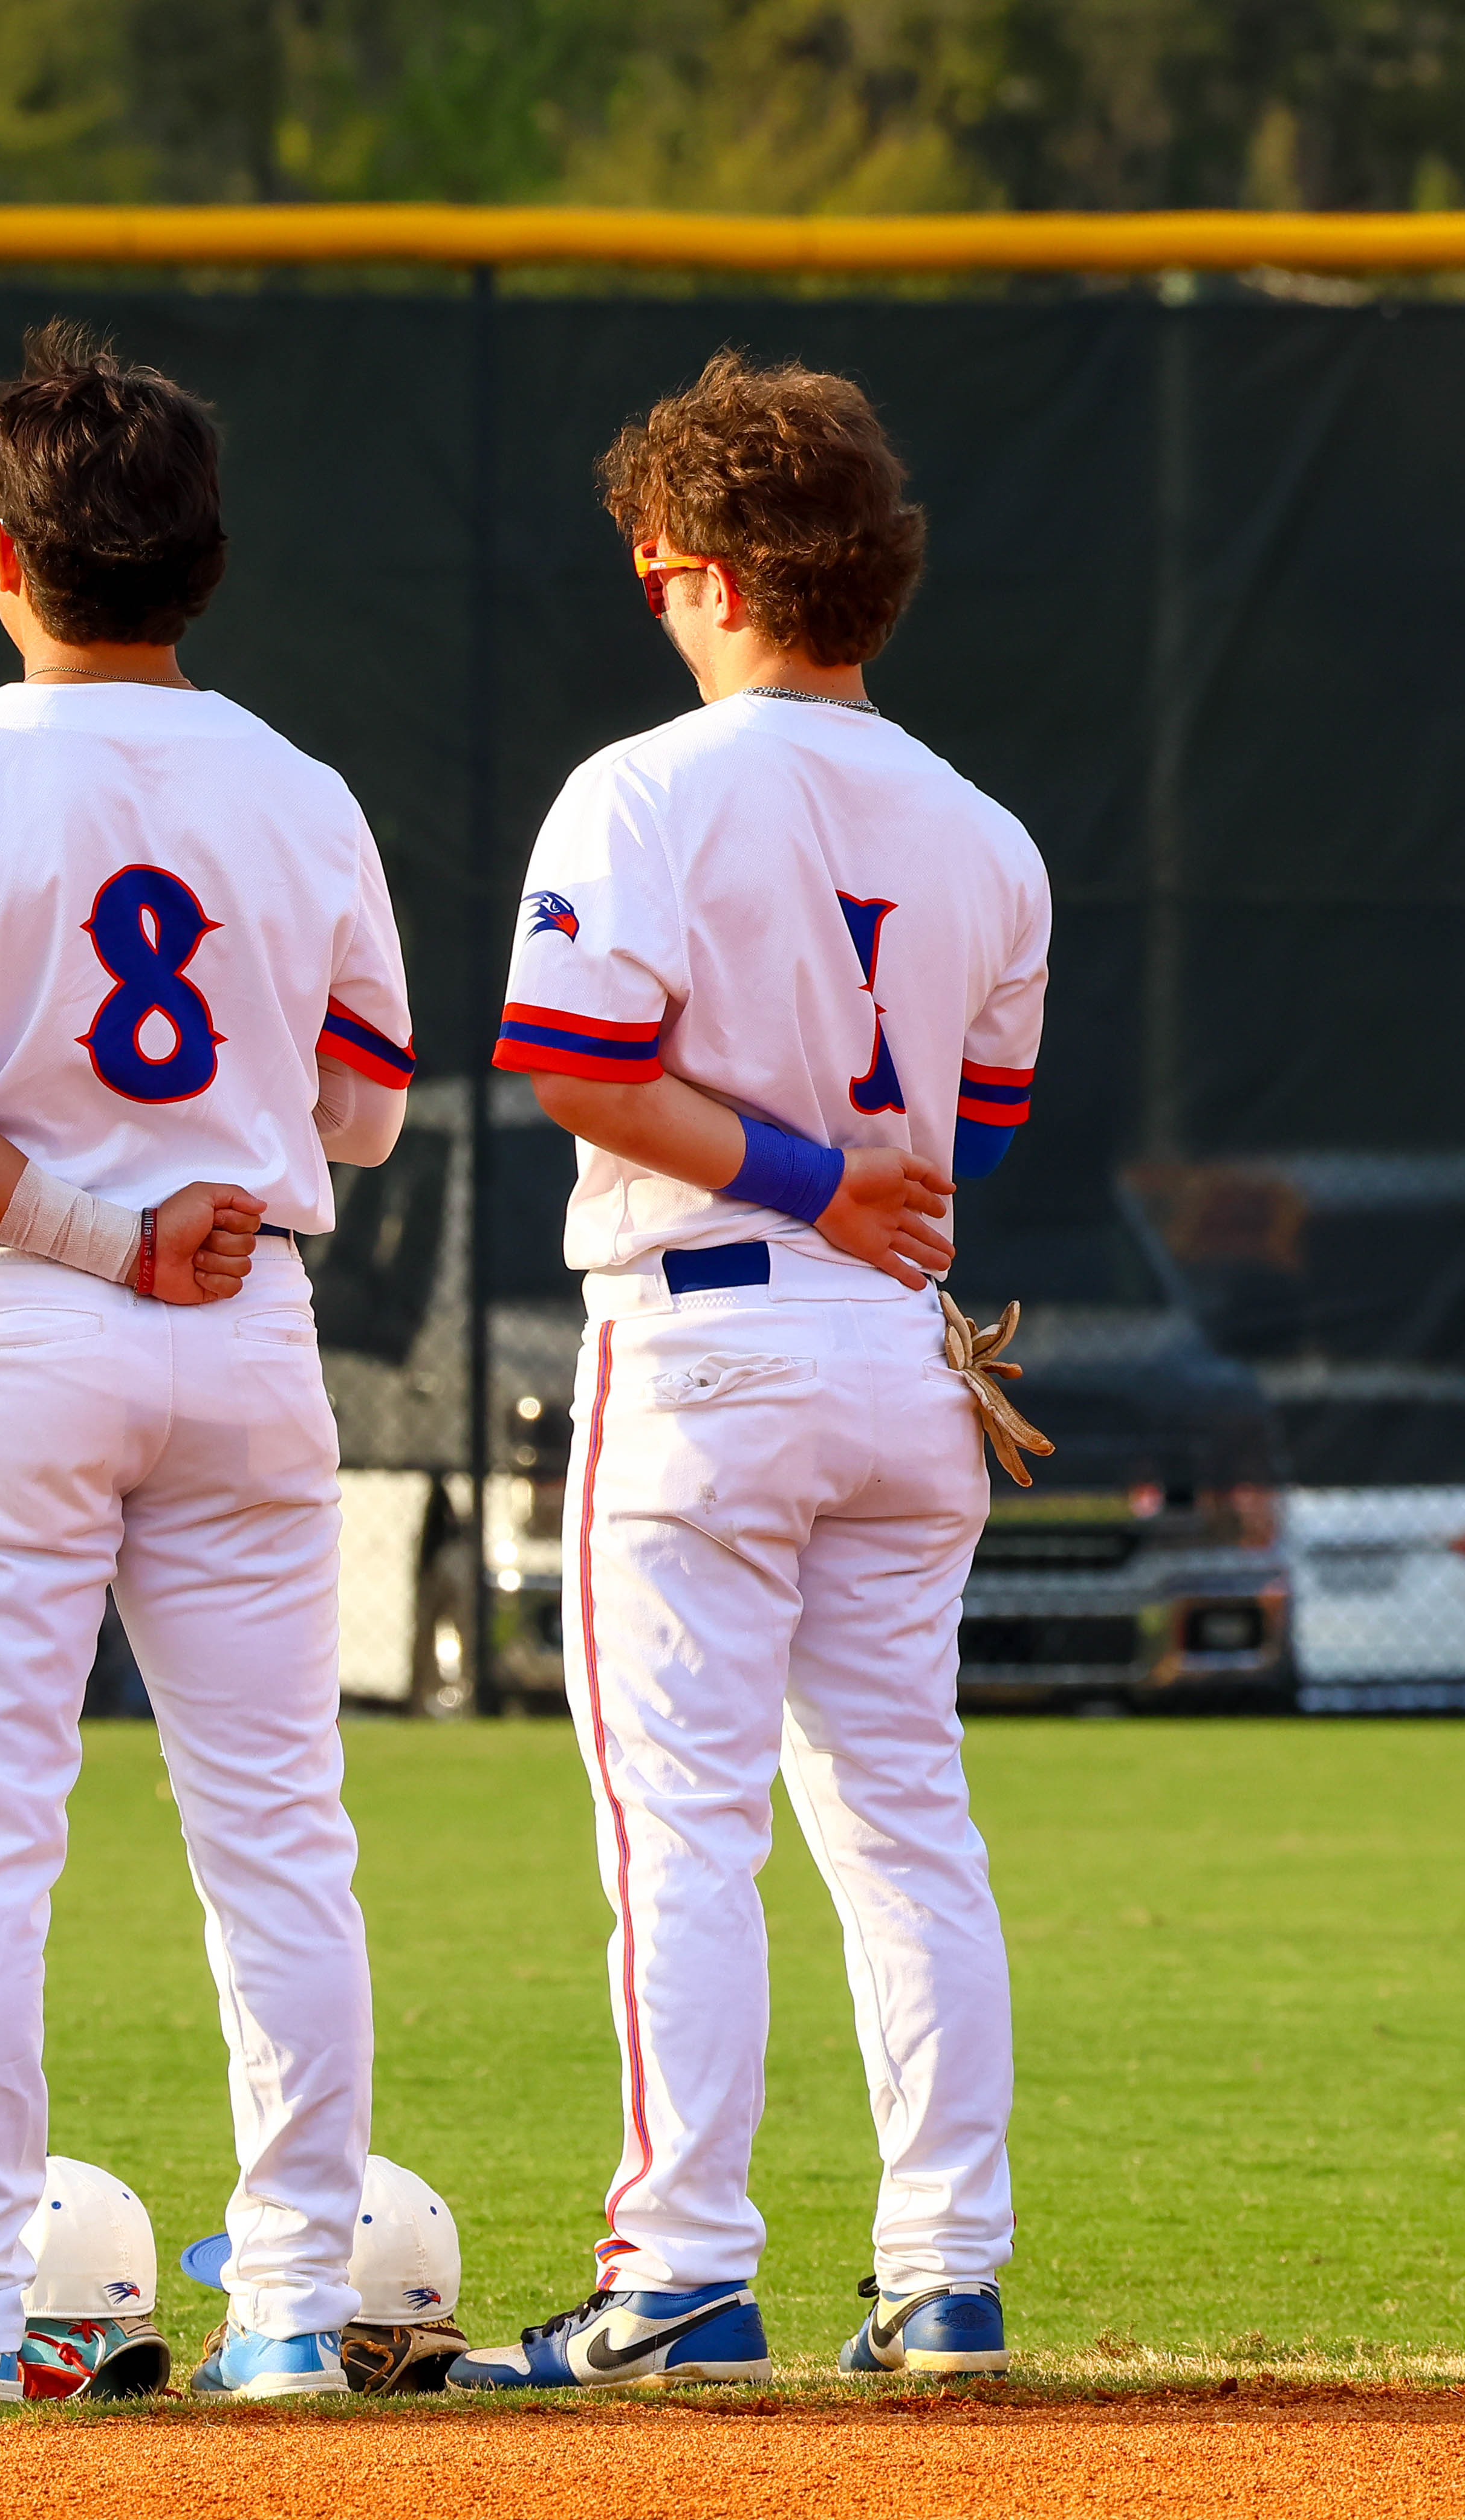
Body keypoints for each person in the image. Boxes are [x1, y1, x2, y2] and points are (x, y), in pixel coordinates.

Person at [0, 325, 417, 2412]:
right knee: (283, 1832)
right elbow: (369, 1106)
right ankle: (299, 2307)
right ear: (201, 562)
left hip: (26, 1324)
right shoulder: (301, 788)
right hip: (249, 1329)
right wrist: (193, 1181)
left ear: (5, 556)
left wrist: (90, 1215)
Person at [446, 349, 1048, 2392]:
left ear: (687, 573)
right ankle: (948, 2273)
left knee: (682, 1829)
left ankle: (686, 2268)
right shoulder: (987, 830)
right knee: (908, 1821)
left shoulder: (645, 788)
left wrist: (791, 1163)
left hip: (707, 1335)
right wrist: (846, 1171)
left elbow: (565, 1062)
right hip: (904, 1362)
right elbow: (980, 1117)